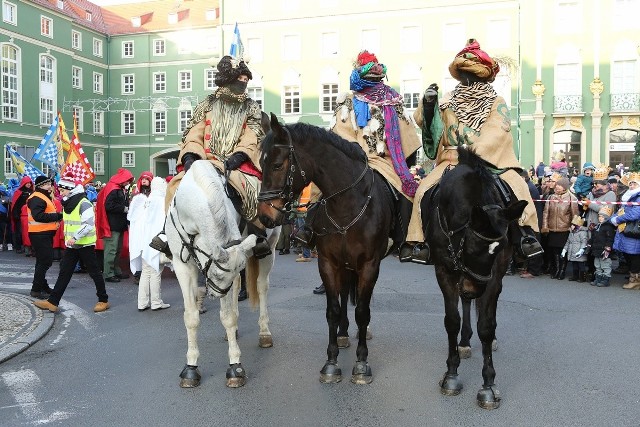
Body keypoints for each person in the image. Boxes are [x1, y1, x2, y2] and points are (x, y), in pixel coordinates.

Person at [401, 39, 541, 264]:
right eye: (462, 72)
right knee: (423, 191)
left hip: (488, 160)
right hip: (451, 160)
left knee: (518, 186)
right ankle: (419, 241)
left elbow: (498, 130)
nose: (466, 77)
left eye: (470, 73)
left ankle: (526, 235)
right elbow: (430, 126)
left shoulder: (496, 101)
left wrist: (474, 153)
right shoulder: (446, 100)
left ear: (481, 75)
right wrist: (428, 105)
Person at [154, 55, 271, 259]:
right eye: (240, 79)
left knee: (253, 188)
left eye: (246, 80)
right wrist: (191, 156)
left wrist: (239, 155)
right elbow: (194, 133)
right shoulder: (207, 104)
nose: (243, 83)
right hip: (205, 161)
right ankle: (167, 233)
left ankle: (257, 234)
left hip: (235, 164)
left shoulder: (251, 107)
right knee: (175, 186)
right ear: (228, 79)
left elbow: (252, 135)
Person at [330, 50, 420, 249]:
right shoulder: (348, 101)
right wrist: (354, 152)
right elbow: (341, 132)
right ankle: (311, 231)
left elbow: (407, 133)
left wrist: (405, 166)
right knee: (321, 187)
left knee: (408, 193)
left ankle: (405, 241)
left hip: (386, 162)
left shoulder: (394, 101)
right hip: (352, 160)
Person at [32, 177, 109, 313]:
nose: (60, 193)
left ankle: (103, 300)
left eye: (62, 191)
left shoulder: (84, 203)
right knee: (64, 273)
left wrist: (75, 237)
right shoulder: (69, 203)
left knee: (95, 273)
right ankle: (53, 302)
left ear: (69, 189)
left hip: (85, 244)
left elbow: (89, 225)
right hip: (72, 245)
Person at [131, 177, 170, 311]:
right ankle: (156, 302)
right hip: (155, 241)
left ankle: (142, 302)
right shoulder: (161, 201)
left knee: (146, 272)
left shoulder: (146, 200)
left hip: (144, 241)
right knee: (155, 272)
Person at [26, 176, 63, 298]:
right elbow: (38, 216)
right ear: (41, 185)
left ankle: (42, 286)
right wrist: (57, 216)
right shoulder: (37, 197)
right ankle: (36, 289)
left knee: (41, 261)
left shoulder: (41, 196)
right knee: (45, 261)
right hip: (40, 233)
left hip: (42, 233)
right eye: (47, 184)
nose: (50, 186)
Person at [96, 168, 134, 283]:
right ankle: (108, 273)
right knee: (111, 250)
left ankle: (116, 270)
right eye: (128, 180)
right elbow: (109, 206)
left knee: (117, 249)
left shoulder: (118, 188)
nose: (128, 182)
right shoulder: (113, 189)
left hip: (118, 224)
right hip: (112, 224)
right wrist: (124, 209)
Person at [582, 167, 617, 280]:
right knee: (590, 248)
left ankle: (602, 274)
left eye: (597, 183)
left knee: (599, 250)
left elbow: (606, 210)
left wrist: (590, 204)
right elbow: (588, 203)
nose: (595, 185)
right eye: (594, 183)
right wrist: (584, 204)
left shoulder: (610, 194)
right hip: (590, 224)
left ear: (604, 184)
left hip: (602, 227)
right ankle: (592, 271)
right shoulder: (592, 193)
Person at [542, 177, 578, 279]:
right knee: (554, 251)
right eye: (557, 185)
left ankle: (562, 270)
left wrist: (573, 226)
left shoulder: (572, 198)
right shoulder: (551, 197)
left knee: (562, 250)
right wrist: (545, 226)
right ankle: (556, 269)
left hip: (565, 229)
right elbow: (546, 213)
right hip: (552, 228)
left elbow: (575, 215)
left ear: (565, 187)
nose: (557, 187)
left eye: (560, 185)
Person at [611, 173, 640, 290]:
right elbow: (622, 210)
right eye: (631, 183)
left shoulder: (638, 197)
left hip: (634, 230)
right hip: (626, 229)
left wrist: (617, 219)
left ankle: (635, 280)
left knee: (634, 255)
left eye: (635, 183)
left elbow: (635, 213)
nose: (632, 185)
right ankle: (633, 276)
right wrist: (611, 218)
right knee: (628, 254)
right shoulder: (629, 196)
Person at [128, 171, 154, 285]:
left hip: (149, 226)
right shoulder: (136, 195)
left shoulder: (154, 194)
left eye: (146, 179)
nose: (144, 181)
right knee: (137, 248)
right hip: (138, 226)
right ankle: (138, 274)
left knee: (147, 248)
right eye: (142, 179)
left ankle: (148, 272)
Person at [520, 171, 544, 278]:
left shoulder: (529, 188)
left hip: (533, 220)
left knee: (533, 245)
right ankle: (530, 268)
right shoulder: (528, 186)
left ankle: (534, 270)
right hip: (531, 219)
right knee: (529, 245)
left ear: (524, 177)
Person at [588, 206, 616, 287]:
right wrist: (589, 244)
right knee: (597, 265)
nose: (600, 218)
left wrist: (608, 248)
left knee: (606, 265)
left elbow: (610, 239)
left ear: (606, 218)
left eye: (602, 217)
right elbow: (593, 238)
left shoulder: (608, 227)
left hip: (604, 251)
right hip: (596, 250)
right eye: (599, 216)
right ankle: (598, 278)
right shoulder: (597, 227)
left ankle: (605, 280)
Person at [561, 215, 588, 282]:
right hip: (572, 251)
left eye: (573, 225)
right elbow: (568, 242)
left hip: (579, 251)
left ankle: (582, 277)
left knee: (581, 265)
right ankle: (575, 276)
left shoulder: (582, 233)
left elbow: (584, 242)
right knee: (574, 264)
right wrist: (564, 250)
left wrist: (581, 250)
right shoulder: (571, 233)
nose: (571, 226)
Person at [10, 176, 33, 253]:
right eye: (27, 183)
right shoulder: (18, 192)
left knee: (27, 232)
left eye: (30, 183)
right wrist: (15, 214)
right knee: (19, 232)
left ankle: (27, 246)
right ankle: (18, 247)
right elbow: (15, 204)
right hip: (20, 215)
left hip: (29, 215)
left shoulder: (32, 192)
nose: (29, 184)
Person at [0, 184, 12, 251]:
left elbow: (9, 208)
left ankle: (9, 243)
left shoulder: (6, 197)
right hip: (2, 215)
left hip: (4, 215)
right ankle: (1, 244)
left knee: (5, 230)